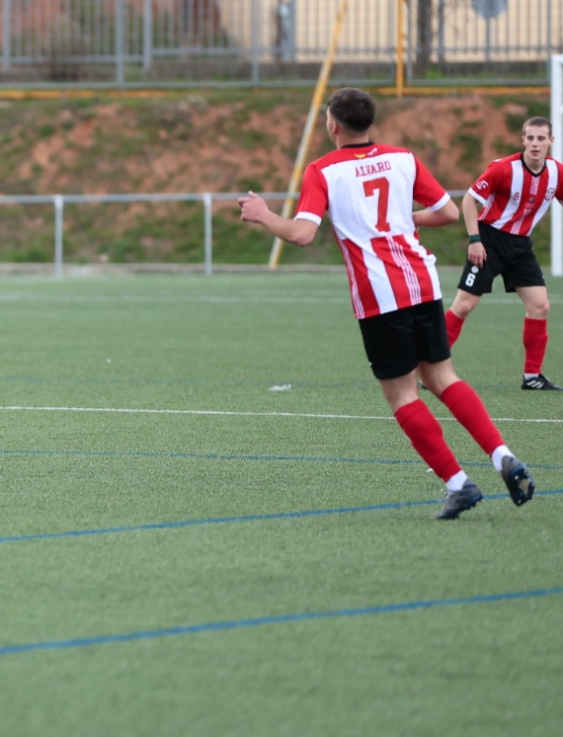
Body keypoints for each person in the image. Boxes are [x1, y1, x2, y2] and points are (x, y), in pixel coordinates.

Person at [239, 87, 535, 519]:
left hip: (381, 296)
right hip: (423, 281)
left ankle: (458, 483)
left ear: (332, 124)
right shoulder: (403, 159)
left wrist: (263, 214)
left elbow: (302, 234)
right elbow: (449, 213)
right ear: (371, 123)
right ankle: (501, 454)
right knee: (443, 377)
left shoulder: (323, 171)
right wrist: (401, 220)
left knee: (401, 394)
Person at [445, 116, 563, 390]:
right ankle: (429, 365)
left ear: (551, 141)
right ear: (523, 140)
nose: (535, 144)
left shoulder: (557, 172)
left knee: (540, 306)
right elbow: (469, 200)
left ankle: (532, 376)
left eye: (541, 138)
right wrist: (475, 240)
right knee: (463, 306)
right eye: (530, 138)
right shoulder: (504, 169)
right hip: (489, 241)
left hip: (520, 246)